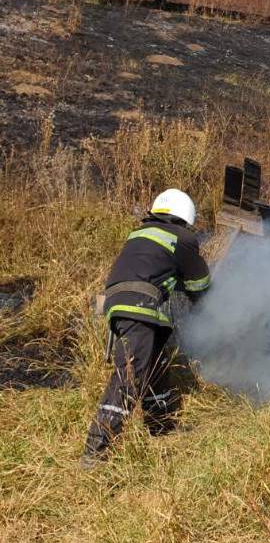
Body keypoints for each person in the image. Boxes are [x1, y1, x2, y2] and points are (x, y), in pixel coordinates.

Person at [82, 189, 211, 464]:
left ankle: (161, 428)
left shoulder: (140, 233)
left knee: (154, 366)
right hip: (140, 306)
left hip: (118, 303)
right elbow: (199, 285)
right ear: (184, 216)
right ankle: (96, 452)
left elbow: (151, 268)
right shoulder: (183, 238)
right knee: (128, 377)